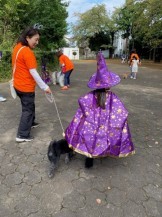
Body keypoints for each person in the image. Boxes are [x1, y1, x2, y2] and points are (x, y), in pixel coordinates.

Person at [65, 52, 135, 166]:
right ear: (109, 84)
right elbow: (122, 112)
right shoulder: (112, 97)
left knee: (89, 137)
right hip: (106, 125)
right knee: (103, 137)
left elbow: (82, 101)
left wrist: (87, 114)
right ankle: (103, 151)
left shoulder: (91, 95)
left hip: (91, 125)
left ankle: (88, 158)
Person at [12, 26, 51, 143]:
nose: (37, 42)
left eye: (38, 40)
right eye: (36, 39)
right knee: (27, 110)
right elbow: (33, 72)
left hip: (17, 84)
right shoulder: (27, 52)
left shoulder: (18, 47)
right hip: (25, 87)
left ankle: (31, 122)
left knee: (30, 106)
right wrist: (45, 87)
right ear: (27, 38)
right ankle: (22, 135)